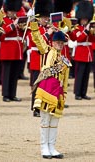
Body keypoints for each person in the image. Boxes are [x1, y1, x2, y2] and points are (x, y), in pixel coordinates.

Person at [30, 21, 71, 159]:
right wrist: (33, 23)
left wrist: (64, 93)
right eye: (57, 42)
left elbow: (65, 79)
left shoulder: (64, 60)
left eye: (61, 43)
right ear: (53, 42)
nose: (60, 44)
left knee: (54, 122)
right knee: (45, 120)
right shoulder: (46, 50)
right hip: (46, 89)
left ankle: (52, 147)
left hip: (57, 92)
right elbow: (37, 38)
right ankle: (44, 148)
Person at [26, 0, 54, 117]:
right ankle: (36, 108)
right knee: (36, 84)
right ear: (38, 18)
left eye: (47, 18)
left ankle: (45, 105)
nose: (46, 20)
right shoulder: (33, 28)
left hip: (47, 60)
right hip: (37, 59)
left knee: (47, 84)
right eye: (44, 18)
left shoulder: (48, 28)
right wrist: (48, 33)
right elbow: (36, 41)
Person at [70, 0, 94, 100]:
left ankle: (83, 92)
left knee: (86, 75)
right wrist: (86, 31)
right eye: (83, 19)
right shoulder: (77, 28)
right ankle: (77, 93)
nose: (84, 21)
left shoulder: (89, 28)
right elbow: (78, 38)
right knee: (79, 75)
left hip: (88, 54)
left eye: (86, 19)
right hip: (81, 53)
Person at [0, 0, 23, 102]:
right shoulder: (3, 20)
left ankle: (12, 94)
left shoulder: (17, 20)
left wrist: (23, 28)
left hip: (17, 51)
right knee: (6, 73)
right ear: (7, 11)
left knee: (14, 74)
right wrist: (14, 24)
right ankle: (5, 94)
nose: (13, 13)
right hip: (7, 50)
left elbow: (22, 35)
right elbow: (3, 32)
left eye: (14, 11)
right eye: (11, 11)